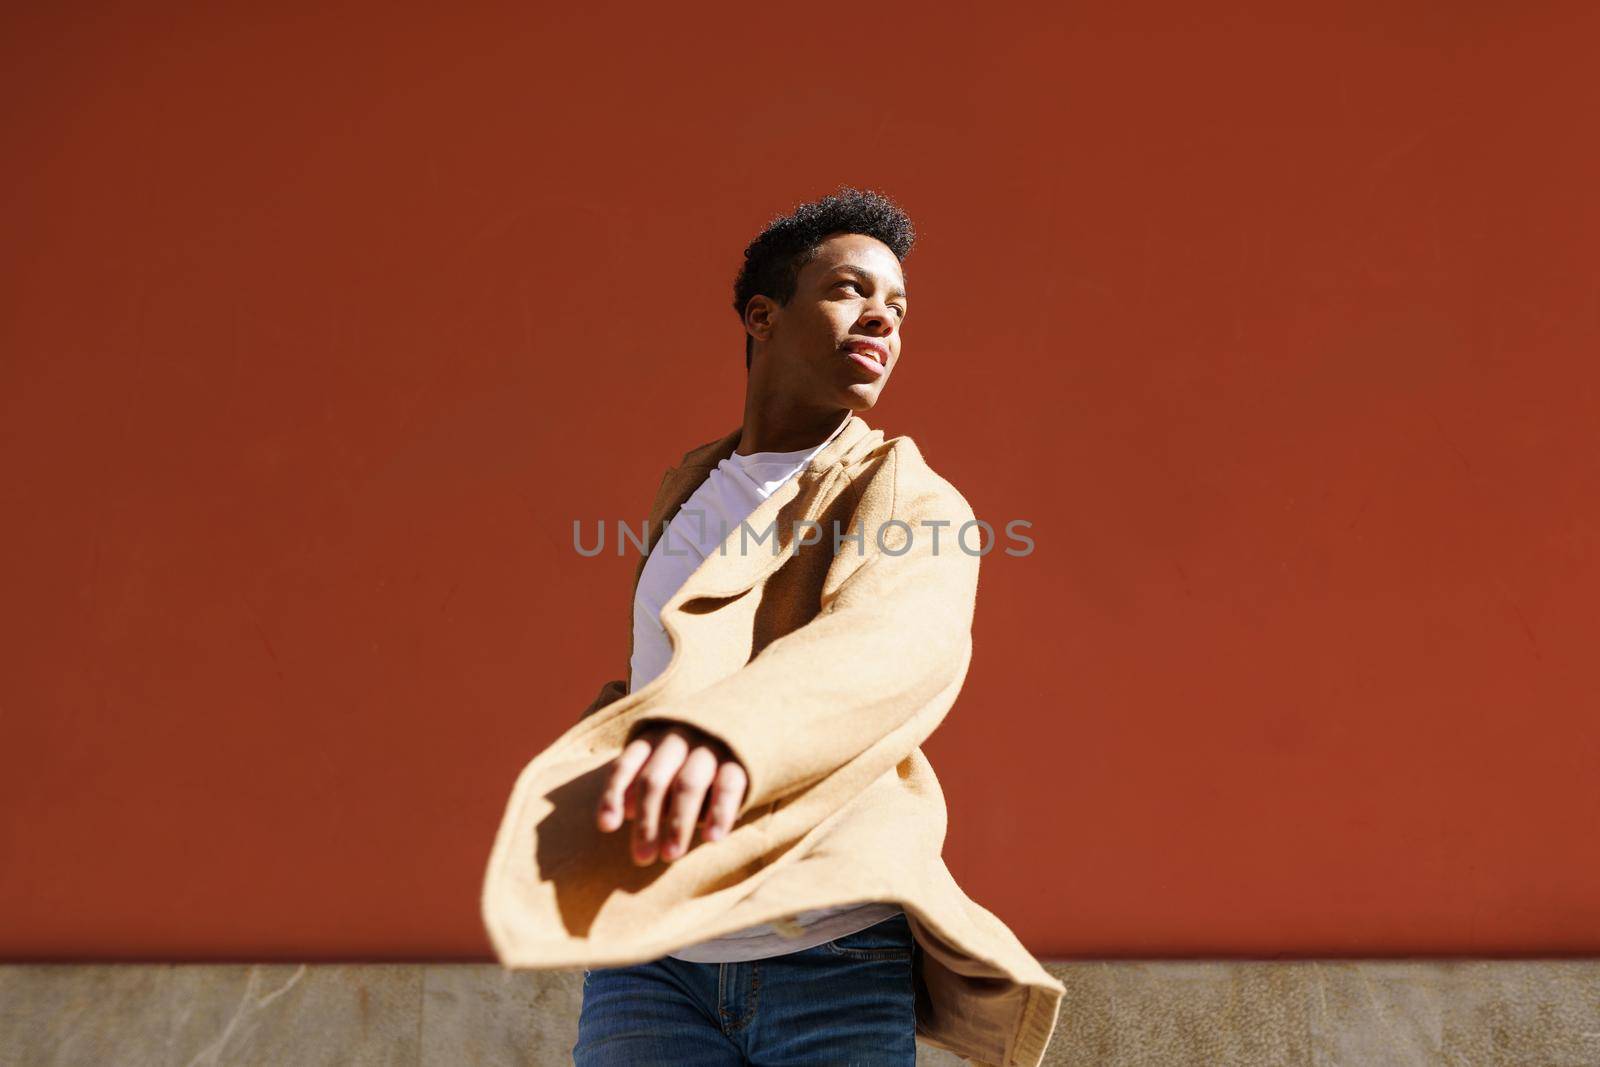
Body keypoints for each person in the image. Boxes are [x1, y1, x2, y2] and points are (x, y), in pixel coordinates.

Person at [481, 186, 1064, 1067]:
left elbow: (895, 643)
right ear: (763, 314)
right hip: (653, 959)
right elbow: (662, 666)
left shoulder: (910, 495)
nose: (884, 318)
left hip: (831, 951)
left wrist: (722, 735)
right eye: (851, 290)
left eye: (899, 307)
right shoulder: (687, 484)